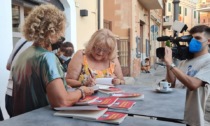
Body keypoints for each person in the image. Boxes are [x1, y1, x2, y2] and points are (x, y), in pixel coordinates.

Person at [11, 4, 94, 117]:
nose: (62, 36)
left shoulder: (22, 56)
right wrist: (82, 91)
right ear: (52, 32)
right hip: (42, 120)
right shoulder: (47, 57)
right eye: (61, 31)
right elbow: (61, 101)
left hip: (21, 120)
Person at [164, 25, 210, 126]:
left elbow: (193, 84)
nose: (193, 41)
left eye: (198, 38)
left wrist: (171, 65)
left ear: (208, 41)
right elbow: (171, 83)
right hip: (175, 113)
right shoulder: (184, 62)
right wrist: (168, 64)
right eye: (191, 38)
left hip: (192, 119)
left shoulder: (208, 61)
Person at [5, 38, 33, 117]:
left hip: (10, 95)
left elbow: (8, 66)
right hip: (25, 99)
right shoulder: (41, 46)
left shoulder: (22, 40)